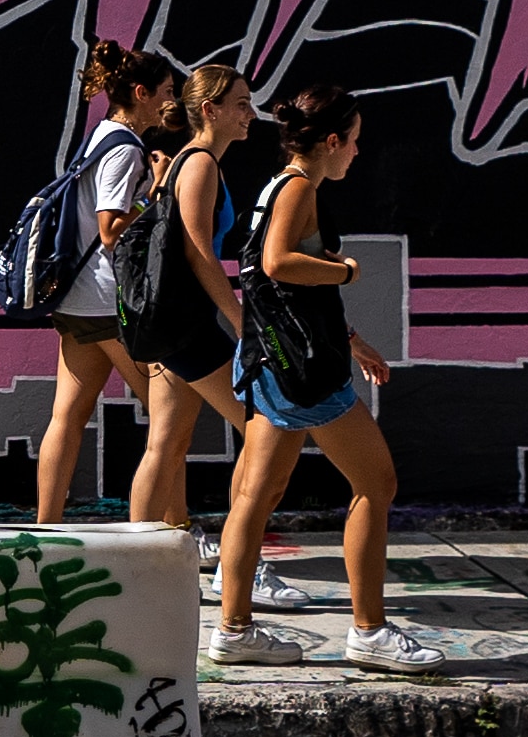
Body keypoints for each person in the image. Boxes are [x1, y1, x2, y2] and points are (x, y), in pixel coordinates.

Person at [209, 82, 444, 673]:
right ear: (332, 141)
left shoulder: (279, 185)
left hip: (275, 361)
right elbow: (278, 264)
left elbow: (284, 291)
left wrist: (352, 339)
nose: (359, 154)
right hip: (304, 377)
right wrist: (345, 271)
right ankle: (369, 630)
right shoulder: (296, 188)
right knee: (377, 484)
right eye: (355, 142)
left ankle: (234, 629)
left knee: (254, 499)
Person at [111, 63, 312, 642]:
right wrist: (244, 320)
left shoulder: (194, 164)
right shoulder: (199, 164)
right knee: (264, 430)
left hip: (178, 328)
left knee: (167, 444)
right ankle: (233, 566)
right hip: (191, 329)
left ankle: (140, 573)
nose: (251, 113)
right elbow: (200, 256)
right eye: (242, 104)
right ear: (211, 111)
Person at [33, 40, 172, 523]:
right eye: (166, 93)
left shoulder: (100, 135)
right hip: (106, 302)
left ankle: (46, 528)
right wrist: (153, 190)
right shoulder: (125, 149)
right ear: (141, 92)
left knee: (67, 418)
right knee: (167, 419)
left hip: (76, 298)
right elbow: (112, 229)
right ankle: (175, 531)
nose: (170, 102)